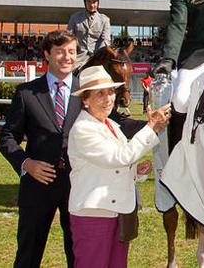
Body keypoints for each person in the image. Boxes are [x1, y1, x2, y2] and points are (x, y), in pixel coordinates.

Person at [67, 65, 170, 268]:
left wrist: (136, 171)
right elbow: (119, 157)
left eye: (110, 92)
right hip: (94, 214)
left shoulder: (110, 125)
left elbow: (116, 163)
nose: (108, 99)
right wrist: (150, 128)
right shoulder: (83, 129)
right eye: (100, 94)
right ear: (85, 100)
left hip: (115, 211)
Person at [0, 30, 81, 268]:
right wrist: (26, 164)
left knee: (78, 255)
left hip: (76, 185)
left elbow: (114, 121)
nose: (67, 57)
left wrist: (151, 123)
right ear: (47, 54)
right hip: (37, 185)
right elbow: (7, 138)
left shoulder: (86, 92)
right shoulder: (26, 93)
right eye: (60, 51)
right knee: (28, 255)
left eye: (72, 51)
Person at [68, 0, 111, 68]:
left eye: (94, 2)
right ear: (85, 2)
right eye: (89, 2)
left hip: (97, 57)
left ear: (98, 2)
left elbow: (105, 40)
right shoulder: (75, 18)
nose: (92, 5)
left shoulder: (105, 19)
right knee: (68, 74)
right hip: (78, 57)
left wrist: (98, 54)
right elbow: (69, 38)